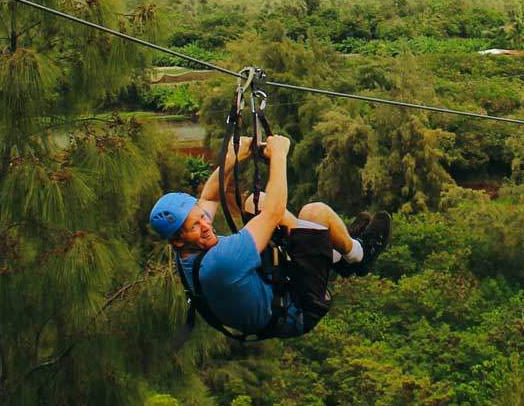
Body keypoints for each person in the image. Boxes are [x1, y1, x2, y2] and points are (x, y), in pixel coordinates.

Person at [147, 132, 390, 340]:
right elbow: (274, 213)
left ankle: (337, 253)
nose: (205, 225)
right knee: (315, 213)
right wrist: (279, 155)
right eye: (195, 225)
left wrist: (234, 157)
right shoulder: (220, 262)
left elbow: (210, 198)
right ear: (178, 240)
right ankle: (359, 255)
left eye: (201, 217)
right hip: (299, 308)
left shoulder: (188, 250)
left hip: (269, 295)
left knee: (257, 202)